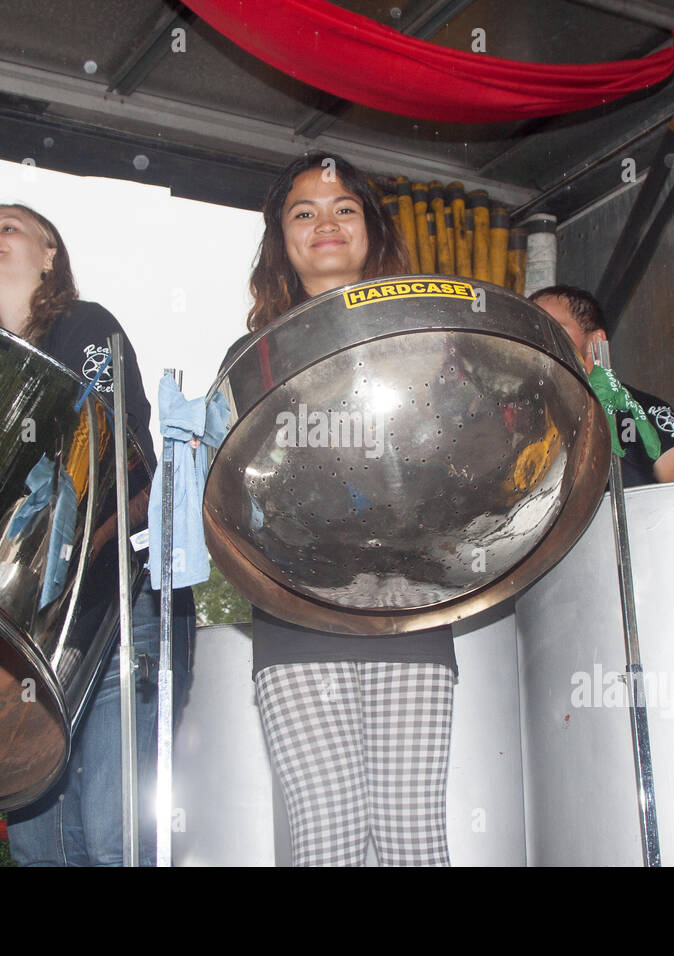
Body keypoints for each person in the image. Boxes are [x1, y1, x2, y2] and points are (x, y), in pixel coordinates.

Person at [224, 153, 456, 867]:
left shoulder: (434, 333)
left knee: (412, 837)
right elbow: (245, 499)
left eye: (344, 208)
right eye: (304, 212)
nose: (325, 222)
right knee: (327, 840)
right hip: (297, 616)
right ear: (282, 242)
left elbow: (457, 478)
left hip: (410, 607)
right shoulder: (249, 358)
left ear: (370, 230)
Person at [0, 203, 194, 865]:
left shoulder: (85, 329)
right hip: (25, 640)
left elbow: (120, 464)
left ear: (49, 256)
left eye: (7, 228)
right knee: (41, 849)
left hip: (112, 617)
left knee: (113, 837)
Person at [531, 285, 674, 486]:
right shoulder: (526, 422)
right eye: (531, 330)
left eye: (553, 328)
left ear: (595, 342)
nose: (538, 339)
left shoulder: (639, 414)